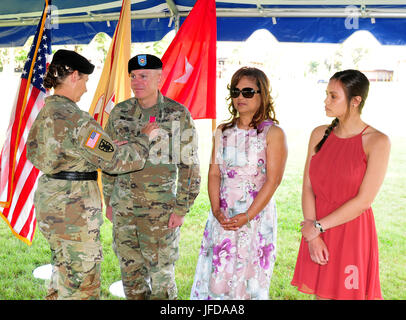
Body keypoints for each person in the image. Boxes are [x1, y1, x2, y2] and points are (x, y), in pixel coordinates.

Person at [26, 49, 157, 300]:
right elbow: (116, 162)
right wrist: (144, 139)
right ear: (74, 76)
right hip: (74, 212)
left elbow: (39, 152)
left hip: (51, 202)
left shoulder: (45, 113)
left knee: (62, 271)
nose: (86, 88)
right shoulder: (77, 119)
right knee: (82, 285)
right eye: (85, 80)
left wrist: (95, 151)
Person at [102, 54, 201, 300]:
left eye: (144, 76)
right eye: (133, 76)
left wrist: (182, 208)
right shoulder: (119, 113)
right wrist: (109, 201)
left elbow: (190, 165)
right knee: (131, 277)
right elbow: (108, 161)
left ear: (159, 77)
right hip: (124, 209)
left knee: (161, 282)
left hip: (160, 214)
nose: (137, 82)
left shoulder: (177, 115)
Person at [291, 69, 391, 300]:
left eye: (333, 96)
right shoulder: (319, 134)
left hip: (351, 231)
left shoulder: (377, 141)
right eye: (326, 94)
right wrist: (313, 233)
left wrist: (318, 227)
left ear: (356, 101)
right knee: (321, 296)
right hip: (316, 227)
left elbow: (364, 201)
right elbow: (307, 187)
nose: (325, 101)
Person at [190, 67, 288, 300]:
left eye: (247, 92)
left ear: (262, 94)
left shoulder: (273, 133)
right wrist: (216, 209)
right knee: (218, 277)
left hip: (255, 216)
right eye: (236, 91)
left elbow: (273, 181)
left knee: (248, 280)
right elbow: (214, 173)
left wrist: (248, 215)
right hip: (223, 213)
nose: (240, 97)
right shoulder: (222, 131)